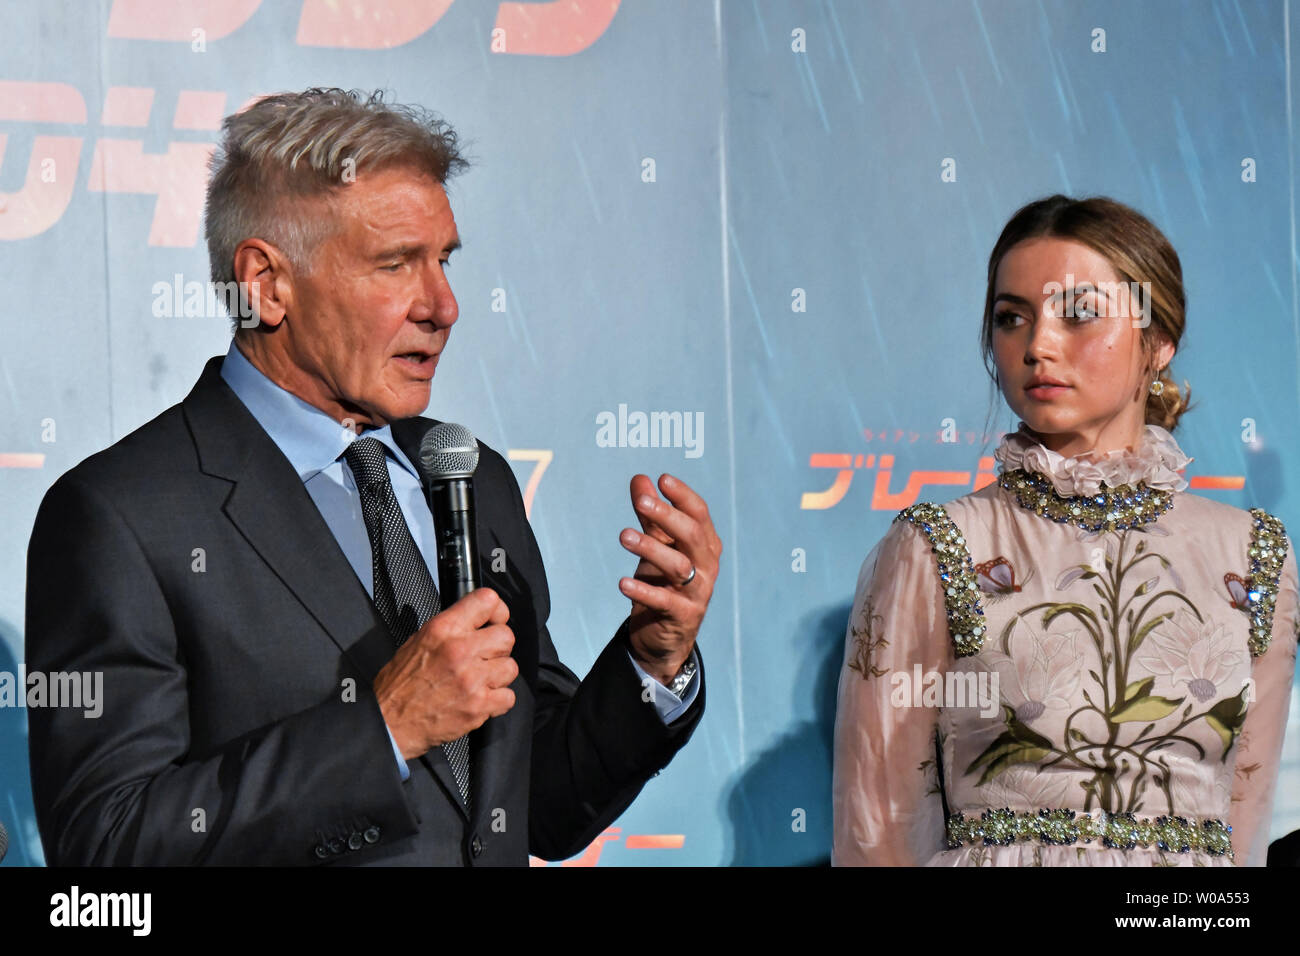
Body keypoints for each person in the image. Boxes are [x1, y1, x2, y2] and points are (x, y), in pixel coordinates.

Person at [25, 88, 721, 866]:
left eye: (445, 261)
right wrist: (382, 729)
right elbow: (106, 851)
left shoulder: (471, 477)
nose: (444, 305)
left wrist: (649, 662)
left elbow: (534, 807)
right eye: (396, 264)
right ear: (266, 283)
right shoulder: (122, 517)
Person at [832, 195, 1298, 866]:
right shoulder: (937, 548)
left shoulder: (1253, 558)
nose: (1039, 345)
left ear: (1159, 340)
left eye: (1079, 314)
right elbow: (877, 827)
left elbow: (1242, 826)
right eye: (1011, 318)